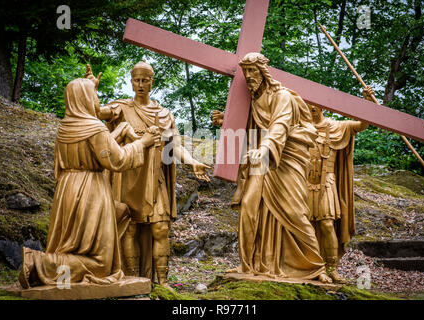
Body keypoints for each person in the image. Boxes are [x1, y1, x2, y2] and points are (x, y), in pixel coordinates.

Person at [18, 76, 160, 288]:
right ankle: (38, 263)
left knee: (70, 248)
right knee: (101, 262)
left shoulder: (64, 128)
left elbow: (92, 152)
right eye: (93, 95)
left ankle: (61, 281)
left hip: (67, 189)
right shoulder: (94, 128)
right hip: (90, 191)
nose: (96, 100)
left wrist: (118, 130)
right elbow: (117, 159)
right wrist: (143, 142)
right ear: (85, 98)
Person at [86, 62, 210, 289]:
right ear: (131, 81)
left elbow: (175, 147)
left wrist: (193, 162)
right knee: (129, 229)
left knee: (161, 228)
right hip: (128, 179)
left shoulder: (164, 114)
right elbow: (96, 112)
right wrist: (91, 88)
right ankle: (134, 280)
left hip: (155, 179)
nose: (141, 84)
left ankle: (162, 283)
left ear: (152, 82)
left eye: (145, 80)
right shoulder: (121, 107)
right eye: (136, 80)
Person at [213, 52, 331, 283]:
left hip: (285, 159)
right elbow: (248, 129)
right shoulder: (254, 101)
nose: (248, 76)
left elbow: (279, 126)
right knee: (250, 208)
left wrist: (264, 149)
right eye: (245, 71)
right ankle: (251, 263)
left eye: (253, 71)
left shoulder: (282, 96)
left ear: (263, 72)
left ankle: (316, 266)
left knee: (294, 212)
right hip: (261, 161)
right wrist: (225, 121)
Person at [307, 87, 372, 283]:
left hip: (326, 182)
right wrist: (228, 119)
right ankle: (313, 268)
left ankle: (332, 268)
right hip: (303, 183)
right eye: (307, 105)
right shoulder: (300, 127)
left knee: (327, 224)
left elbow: (362, 125)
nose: (310, 108)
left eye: (314, 105)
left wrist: (367, 102)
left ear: (322, 107)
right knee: (305, 227)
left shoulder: (336, 127)